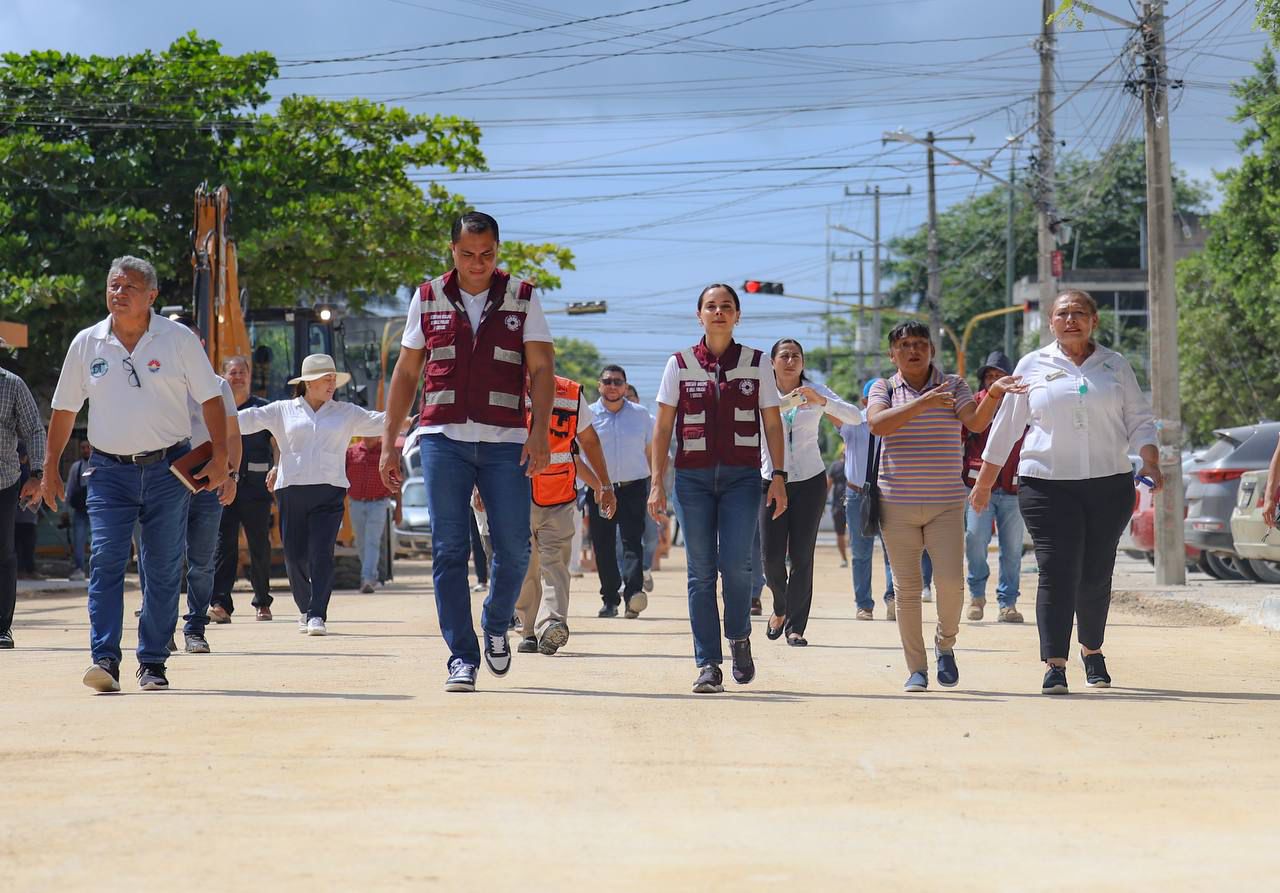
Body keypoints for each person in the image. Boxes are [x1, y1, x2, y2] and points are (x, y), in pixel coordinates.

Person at [379, 212, 555, 693]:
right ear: (452, 250)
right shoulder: (428, 296)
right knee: (449, 550)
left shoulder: (523, 297)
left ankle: (496, 623)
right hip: (443, 438)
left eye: (487, 254)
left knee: (515, 549)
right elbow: (407, 373)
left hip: (506, 442)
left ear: (498, 250)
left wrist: (539, 432)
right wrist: (390, 442)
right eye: (467, 253)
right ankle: (462, 656)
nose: (478, 264)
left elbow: (541, 370)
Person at [42, 255, 231, 692]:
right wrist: (49, 466)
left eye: (129, 287)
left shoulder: (178, 340)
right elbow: (65, 408)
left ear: (152, 295)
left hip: (169, 471)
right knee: (105, 560)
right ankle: (105, 658)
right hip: (108, 472)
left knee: (163, 568)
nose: (118, 293)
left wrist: (221, 457)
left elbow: (211, 399)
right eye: (113, 285)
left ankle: (153, 661)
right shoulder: (87, 343)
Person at [974, 290, 1159, 695]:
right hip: (1045, 485)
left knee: (1095, 573)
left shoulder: (1114, 365)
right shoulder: (1032, 365)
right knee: (1056, 571)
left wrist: (1150, 460)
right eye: (1062, 314)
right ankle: (1054, 663)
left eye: (1079, 313)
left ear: (1094, 320)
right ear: (1050, 322)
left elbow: (1140, 420)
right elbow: (1006, 427)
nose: (1070, 319)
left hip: (1108, 485)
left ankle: (1092, 651)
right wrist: (984, 483)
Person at [866, 321, 1024, 693]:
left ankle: (945, 643)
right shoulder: (884, 387)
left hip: (946, 505)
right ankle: (916, 669)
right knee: (907, 591)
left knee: (951, 585)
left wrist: (995, 394)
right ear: (893, 354)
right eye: (904, 345)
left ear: (931, 350)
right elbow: (876, 425)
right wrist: (923, 403)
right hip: (896, 505)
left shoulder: (954, 385)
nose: (913, 350)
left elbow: (975, 421)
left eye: (920, 343)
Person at [649, 284, 788, 694]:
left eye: (727, 306)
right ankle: (708, 663)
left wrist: (778, 475)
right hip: (691, 480)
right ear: (699, 315)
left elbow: (773, 423)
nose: (719, 312)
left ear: (738, 316)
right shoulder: (679, 363)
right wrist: (657, 483)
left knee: (738, 566)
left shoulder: (757, 363)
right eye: (711, 306)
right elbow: (661, 428)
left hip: (742, 478)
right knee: (700, 574)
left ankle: (740, 638)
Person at [238, 354, 385, 636]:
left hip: (330, 491)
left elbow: (379, 422)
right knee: (294, 556)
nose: (332, 383)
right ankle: (305, 607)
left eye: (334, 379)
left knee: (322, 553)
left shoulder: (345, 412)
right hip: (291, 490)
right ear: (308, 383)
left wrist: (416, 419)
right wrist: (209, 416)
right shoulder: (281, 410)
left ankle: (317, 613)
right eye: (326, 379)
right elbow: (245, 421)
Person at [760, 338, 862, 646]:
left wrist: (821, 401)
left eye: (796, 356)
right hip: (768, 479)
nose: (790, 361)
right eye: (784, 356)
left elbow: (856, 416)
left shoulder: (815, 389)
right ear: (772, 362)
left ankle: (795, 627)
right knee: (771, 557)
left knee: (802, 555)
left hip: (810, 480)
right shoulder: (761, 393)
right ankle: (779, 605)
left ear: (802, 363)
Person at [515, 374, 615, 655]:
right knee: (527, 563)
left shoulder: (570, 393)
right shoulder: (504, 384)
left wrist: (604, 484)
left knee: (553, 563)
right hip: (519, 493)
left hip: (550, 494)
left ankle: (550, 624)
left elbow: (587, 441)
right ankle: (528, 628)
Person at [174, 316, 240, 655]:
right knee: (161, 559)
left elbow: (230, 434)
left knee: (201, 560)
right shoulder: (156, 383)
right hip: (164, 480)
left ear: (199, 345)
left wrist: (232, 475)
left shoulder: (218, 385)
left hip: (207, 478)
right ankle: (159, 629)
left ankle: (195, 629)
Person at [962, 351, 1026, 624]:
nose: (994, 380)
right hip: (978, 487)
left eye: (1000, 375)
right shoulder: (975, 406)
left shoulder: (1023, 404)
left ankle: (1007, 603)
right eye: (989, 376)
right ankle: (976, 596)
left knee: (1012, 549)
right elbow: (959, 438)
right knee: (975, 540)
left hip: (1013, 488)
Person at [211, 355, 276, 621]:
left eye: (242, 372)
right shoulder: (216, 408)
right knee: (223, 546)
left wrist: (278, 468)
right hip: (223, 485)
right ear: (223, 376)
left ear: (249, 376)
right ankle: (221, 604)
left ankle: (262, 601)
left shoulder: (263, 409)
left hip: (256, 488)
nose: (237, 377)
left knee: (259, 544)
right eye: (232, 372)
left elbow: (276, 443)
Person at [586, 364, 653, 618]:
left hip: (633, 487)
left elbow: (650, 451)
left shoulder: (641, 415)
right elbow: (580, 454)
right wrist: (592, 486)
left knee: (632, 540)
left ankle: (633, 595)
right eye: (608, 381)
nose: (612, 386)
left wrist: (655, 483)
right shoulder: (588, 415)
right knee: (602, 543)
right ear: (599, 385)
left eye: (618, 382)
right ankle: (610, 598)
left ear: (625, 386)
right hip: (600, 489)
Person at [840, 379, 896, 621]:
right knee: (861, 552)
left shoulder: (897, 423)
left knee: (894, 551)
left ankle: (894, 597)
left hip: (889, 492)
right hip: (857, 494)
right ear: (864, 402)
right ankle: (864, 604)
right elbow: (831, 410)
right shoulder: (853, 423)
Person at [0, 369, 44, 649]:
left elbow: (34, 429)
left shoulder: (12, 384)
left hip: (3, 481)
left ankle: (2, 627)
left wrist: (37, 473)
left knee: (3, 552)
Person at [347, 436, 394, 593]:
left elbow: (396, 479)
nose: (368, 437)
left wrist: (399, 507)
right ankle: (371, 575)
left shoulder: (387, 452)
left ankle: (367, 579)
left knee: (372, 540)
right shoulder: (352, 452)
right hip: (356, 503)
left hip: (378, 503)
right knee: (361, 542)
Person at [63, 439, 93, 581]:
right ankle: (79, 569)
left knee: (97, 541)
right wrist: (65, 510)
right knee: (79, 541)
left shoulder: (98, 465)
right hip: (80, 510)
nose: (86, 450)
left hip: (96, 511)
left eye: (88, 447)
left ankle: (96, 570)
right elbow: (69, 489)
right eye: (83, 448)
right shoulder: (77, 467)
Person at [827, 449, 848, 568]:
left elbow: (828, 486)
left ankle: (848, 558)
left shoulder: (837, 466)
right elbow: (828, 485)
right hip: (842, 505)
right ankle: (846, 558)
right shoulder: (836, 466)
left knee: (843, 534)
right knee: (841, 534)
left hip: (844, 504)